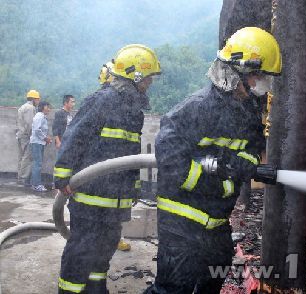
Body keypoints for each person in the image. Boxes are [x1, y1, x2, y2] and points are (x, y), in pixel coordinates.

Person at [146, 27, 282, 294]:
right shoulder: (196, 108)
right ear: (238, 71)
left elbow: (251, 149)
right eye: (259, 75)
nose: (263, 82)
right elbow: (171, 163)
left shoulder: (248, 112)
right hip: (181, 222)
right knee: (173, 290)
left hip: (217, 222)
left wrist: (241, 163)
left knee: (212, 281)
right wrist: (215, 172)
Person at [54, 44, 161, 294]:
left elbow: (131, 157)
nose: (150, 83)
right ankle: (69, 291)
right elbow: (75, 136)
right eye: (148, 78)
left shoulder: (135, 112)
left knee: (104, 249)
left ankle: (96, 287)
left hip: (116, 201)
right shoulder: (102, 100)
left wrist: (132, 189)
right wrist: (62, 177)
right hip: (91, 198)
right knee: (80, 252)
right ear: (135, 77)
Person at [98, 61, 133, 252]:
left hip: (116, 172)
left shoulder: (126, 107)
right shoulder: (100, 102)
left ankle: (114, 238)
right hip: (101, 172)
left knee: (115, 210)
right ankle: (108, 239)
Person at [16, 90, 41, 186]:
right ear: (34, 99)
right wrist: (32, 135)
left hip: (20, 135)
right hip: (26, 136)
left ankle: (20, 177)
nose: (38, 101)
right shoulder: (30, 108)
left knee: (21, 157)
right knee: (27, 157)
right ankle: (23, 179)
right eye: (37, 99)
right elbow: (30, 124)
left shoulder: (22, 107)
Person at [30, 101, 52, 192]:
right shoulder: (39, 116)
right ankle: (36, 184)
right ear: (43, 107)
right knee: (37, 164)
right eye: (48, 107)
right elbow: (37, 130)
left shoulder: (42, 116)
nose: (49, 109)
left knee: (38, 163)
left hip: (39, 142)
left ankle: (35, 182)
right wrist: (45, 138)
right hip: (37, 143)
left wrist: (45, 139)